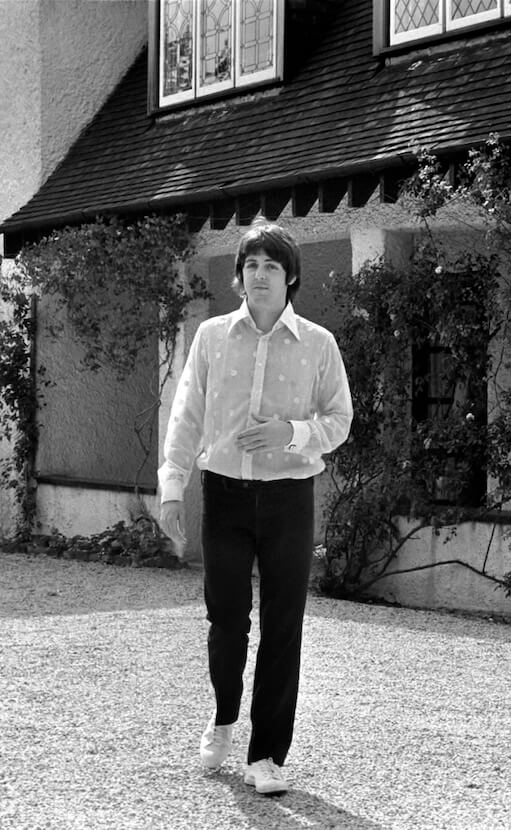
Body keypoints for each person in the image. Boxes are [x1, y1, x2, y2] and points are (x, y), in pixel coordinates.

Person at [158, 222, 353, 796]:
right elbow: (186, 414)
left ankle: (266, 755)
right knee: (226, 621)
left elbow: (339, 421)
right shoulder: (213, 337)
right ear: (240, 277)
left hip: (290, 500)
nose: (260, 275)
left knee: (283, 627)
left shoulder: (319, 344)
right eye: (251, 265)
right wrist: (173, 485)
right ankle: (223, 717)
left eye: (271, 265)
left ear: (290, 277)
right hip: (224, 495)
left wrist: (289, 434)